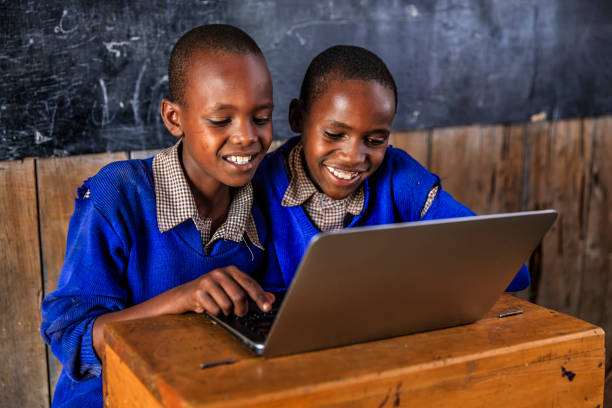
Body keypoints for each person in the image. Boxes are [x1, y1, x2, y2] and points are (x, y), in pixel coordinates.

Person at [41, 24, 276, 408]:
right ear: (173, 117)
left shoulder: (263, 198)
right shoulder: (117, 194)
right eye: (221, 121)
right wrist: (183, 297)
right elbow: (71, 335)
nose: (247, 136)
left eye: (262, 117)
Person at [252, 45, 529, 291]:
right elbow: (229, 286)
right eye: (335, 135)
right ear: (297, 118)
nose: (353, 157)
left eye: (374, 140)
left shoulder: (402, 180)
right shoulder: (260, 184)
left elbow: (510, 271)